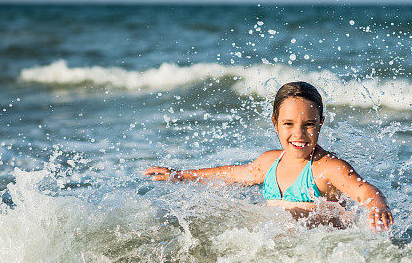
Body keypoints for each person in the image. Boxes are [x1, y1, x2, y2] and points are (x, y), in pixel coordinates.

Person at [142, 81, 394, 230]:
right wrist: (181, 175)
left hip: (320, 248)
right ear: (275, 123)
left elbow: (364, 191)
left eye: (308, 124)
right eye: (288, 124)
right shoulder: (269, 162)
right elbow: (231, 174)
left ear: (320, 124)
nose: (299, 134)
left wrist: (378, 206)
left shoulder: (326, 168)